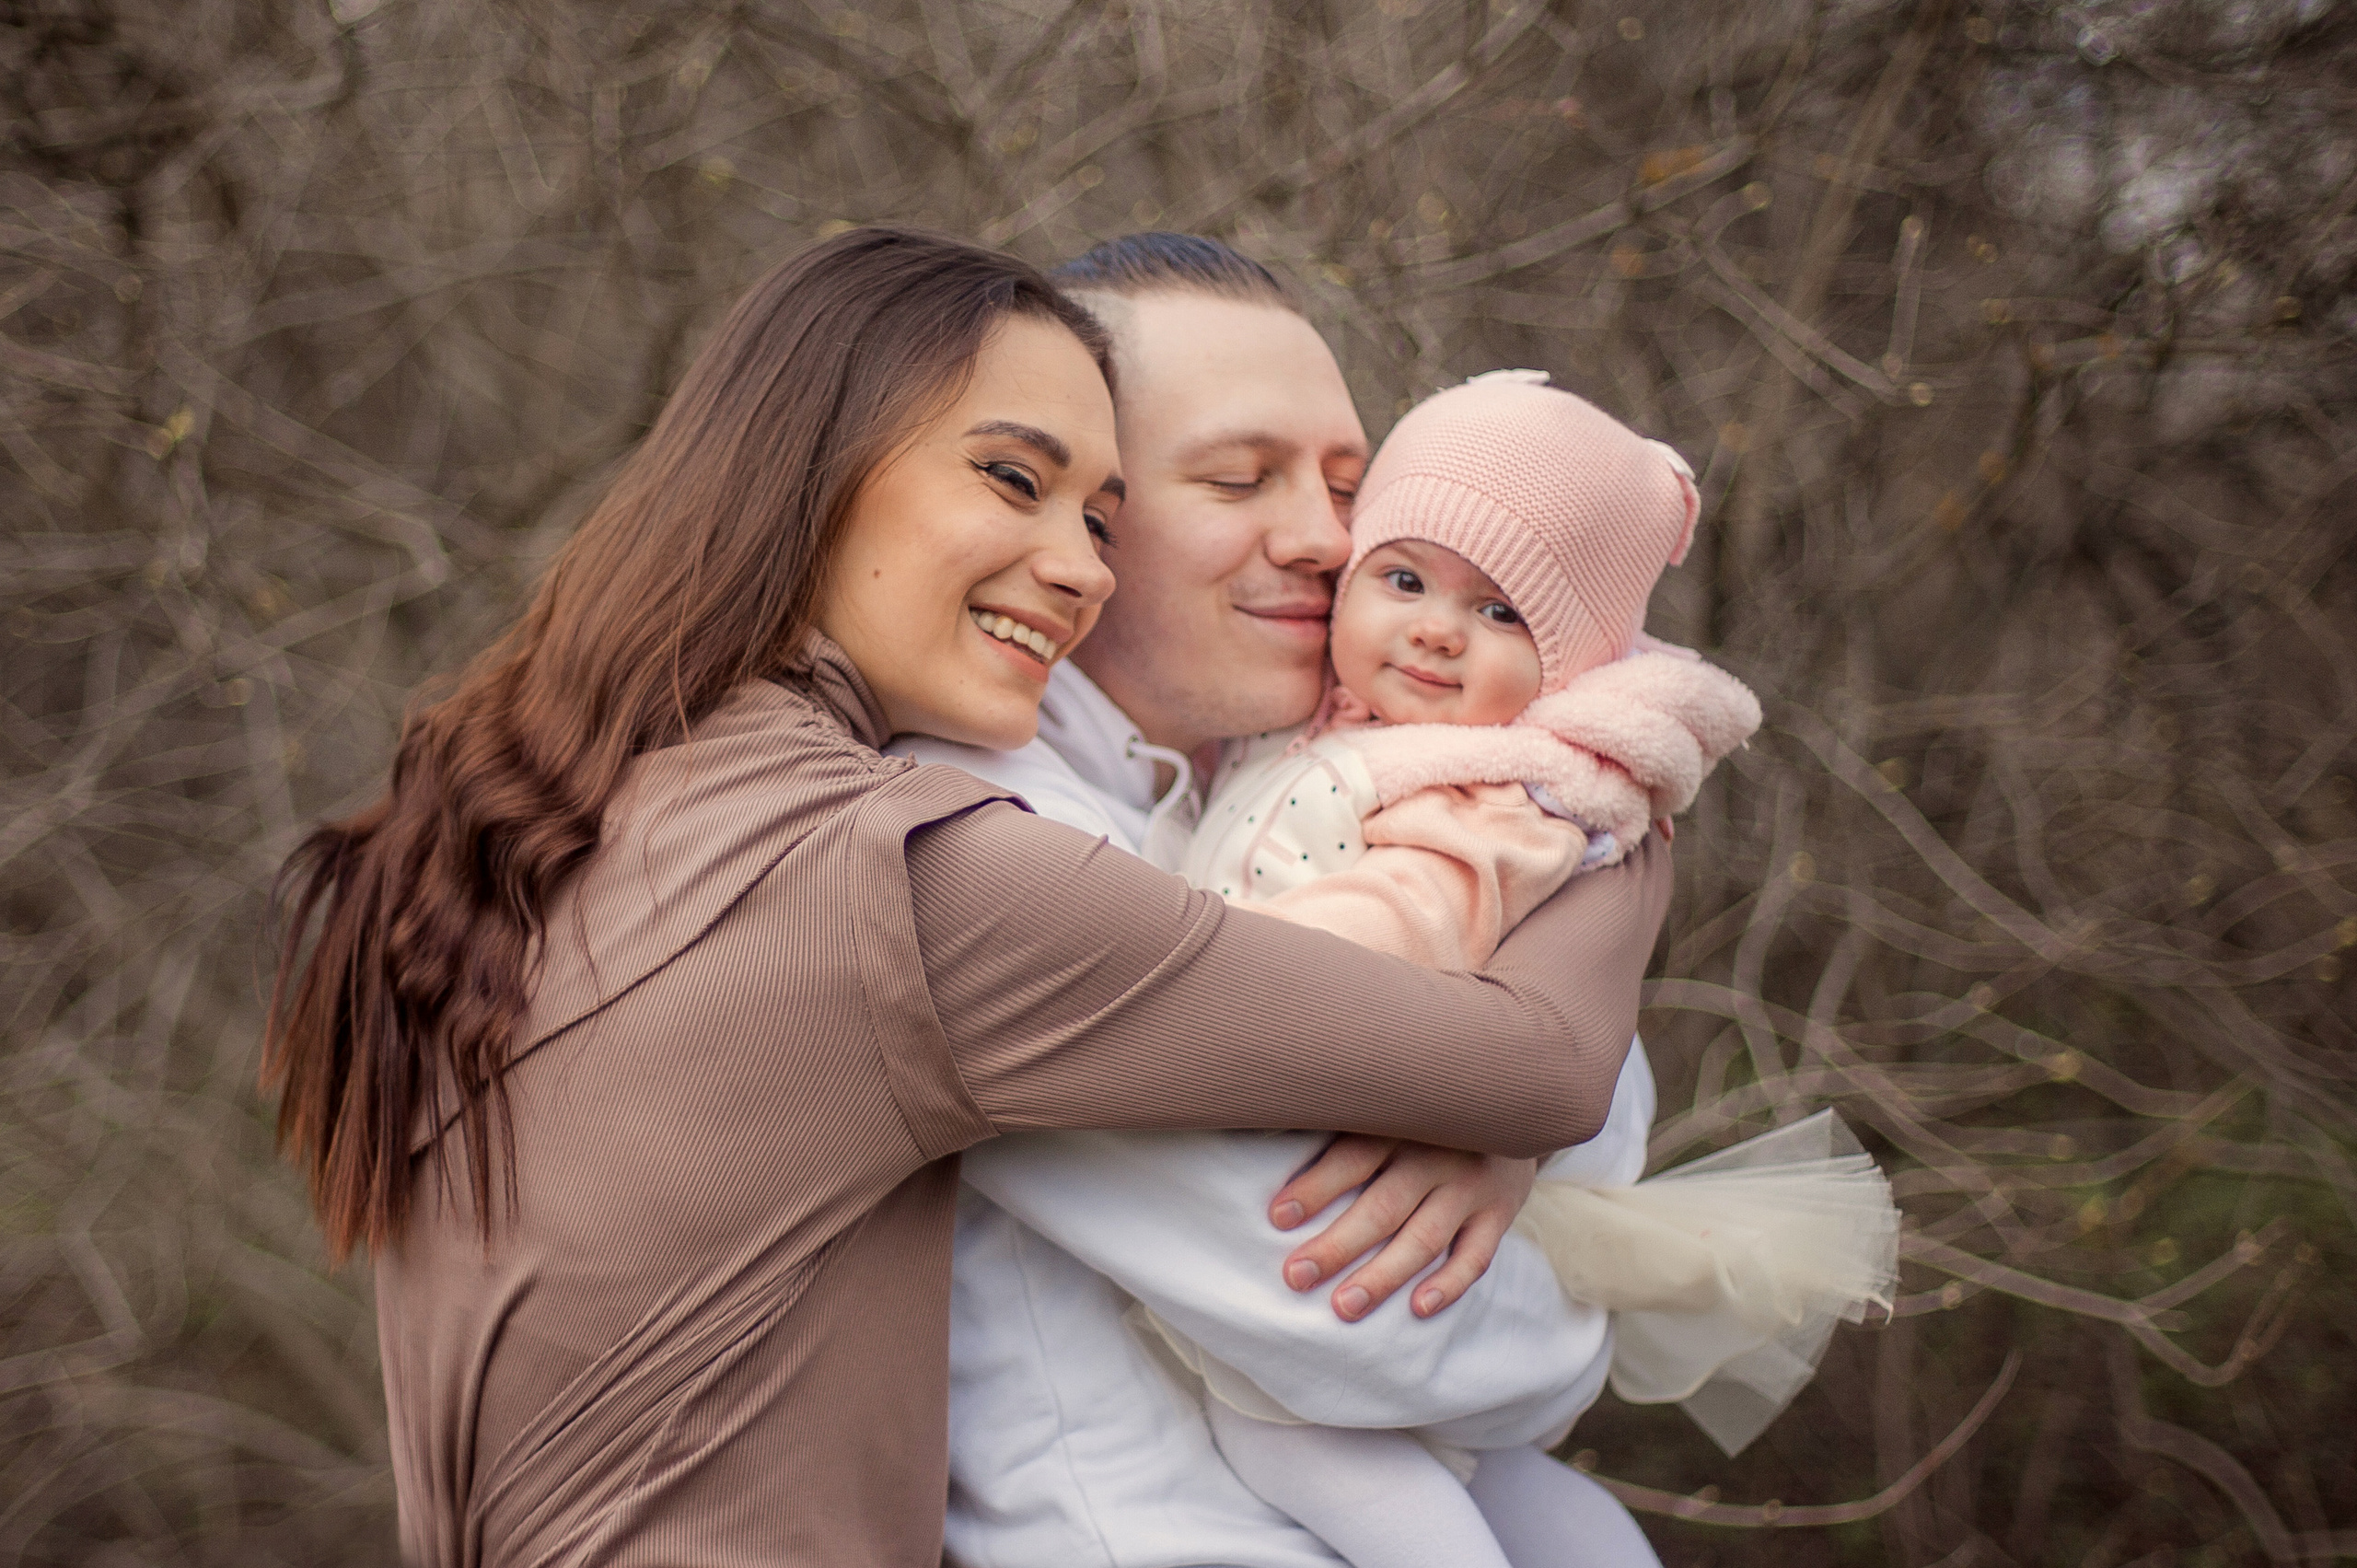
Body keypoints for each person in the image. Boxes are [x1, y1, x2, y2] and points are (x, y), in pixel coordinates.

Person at [260, 226, 1674, 1567]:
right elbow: (1537, 1076)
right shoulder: (902, 869)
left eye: (1099, 512)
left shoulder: (635, 796)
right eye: (1014, 480)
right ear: (810, 474)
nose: (1075, 560)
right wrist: (1608, 775)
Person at [894, 238, 1675, 1568]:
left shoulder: (1286, 788)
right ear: (1088, 512)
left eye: (1349, 485)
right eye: (1239, 478)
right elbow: (1445, 1344)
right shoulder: (980, 842)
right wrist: (1537, 1201)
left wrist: (1514, 1121)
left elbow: (1612, 1118)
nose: (1326, 539)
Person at [1169, 372, 1892, 1568]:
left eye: (1501, 612)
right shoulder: (1324, 726)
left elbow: (1413, 916)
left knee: (1297, 1444)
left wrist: (1188, 964)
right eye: (1403, 580)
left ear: (1567, 665)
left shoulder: (1501, 789)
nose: (1439, 629)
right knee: (1476, 1483)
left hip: (1364, 1146)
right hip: (1335, 1135)